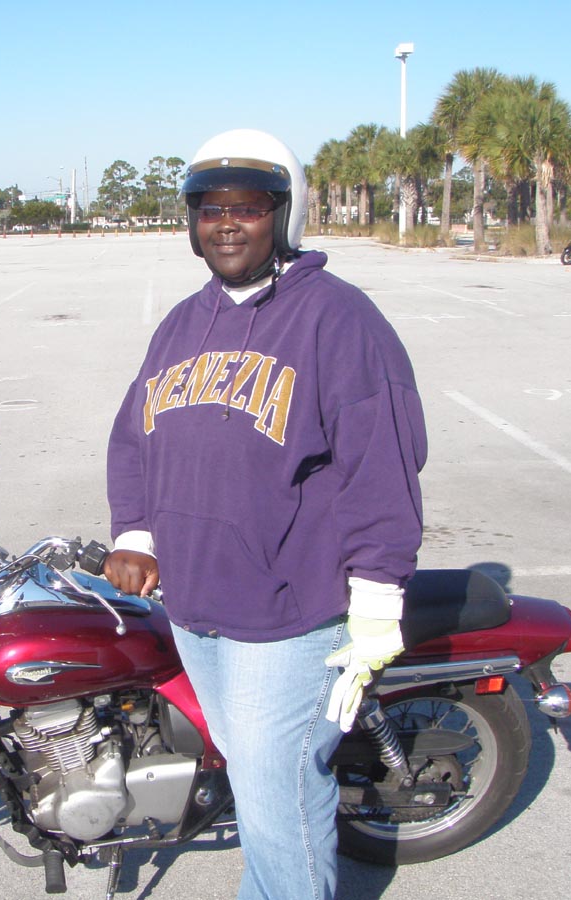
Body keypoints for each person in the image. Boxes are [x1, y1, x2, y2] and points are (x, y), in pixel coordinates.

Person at [103, 129, 427, 900]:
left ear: (283, 216)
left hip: (288, 615)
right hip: (195, 606)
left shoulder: (337, 319)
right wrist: (137, 532)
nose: (226, 224)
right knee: (253, 784)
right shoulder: (184, 321)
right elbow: (134, 437)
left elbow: (381, 463)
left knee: (279, 804)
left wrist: (378, 599)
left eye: (246, 208)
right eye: (209, 209)